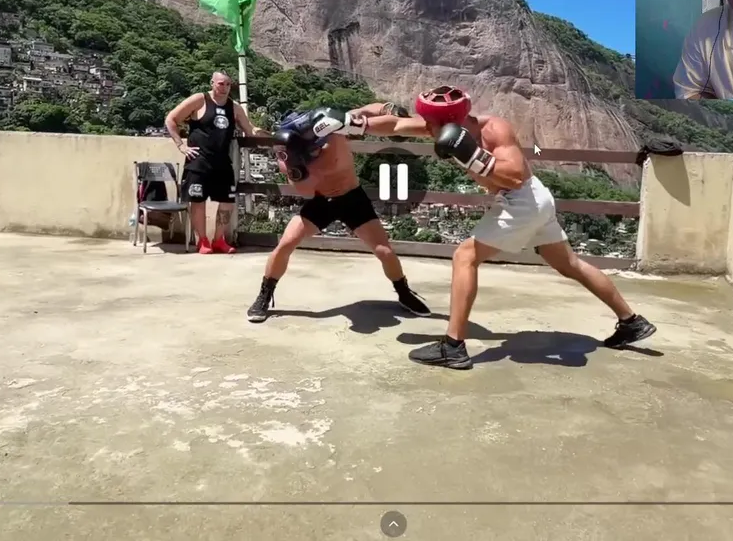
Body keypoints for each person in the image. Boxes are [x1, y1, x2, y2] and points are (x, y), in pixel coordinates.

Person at [349, 86, 657, 370]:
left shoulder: (494, 129)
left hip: (522, 200)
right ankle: (631, 321)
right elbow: (395, 125)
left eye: (430, 121)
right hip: (533, 201)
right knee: (569, 264)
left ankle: (453, 347)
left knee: (464, 257)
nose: (425, 126)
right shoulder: (440, 127)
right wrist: (352, 124)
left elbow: (514, 176)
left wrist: (472, 154)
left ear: (448, 121)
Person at [247, 103, 431, 323]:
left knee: (384, 251)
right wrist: (297, 167)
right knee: (285, 245)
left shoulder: (334, 131)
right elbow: (305, 191)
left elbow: (364, 113)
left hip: (352, 198)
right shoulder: (289, 156)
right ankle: (265, 294)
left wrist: (386, 108)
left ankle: (404, 292)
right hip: (321, 201)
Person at [164, 72, 267, 253]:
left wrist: (267, 134)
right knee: (198, 201)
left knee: (227, 201)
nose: (224, 88)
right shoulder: (199, 100)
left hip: (222, 161)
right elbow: (171, 119)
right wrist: (181, 145)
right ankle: (202, 241)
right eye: (221, 83)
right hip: (199, 160)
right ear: (212, 83)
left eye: (228, 84)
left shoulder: (234, 107)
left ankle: (219, 239)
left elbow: (249, 129)